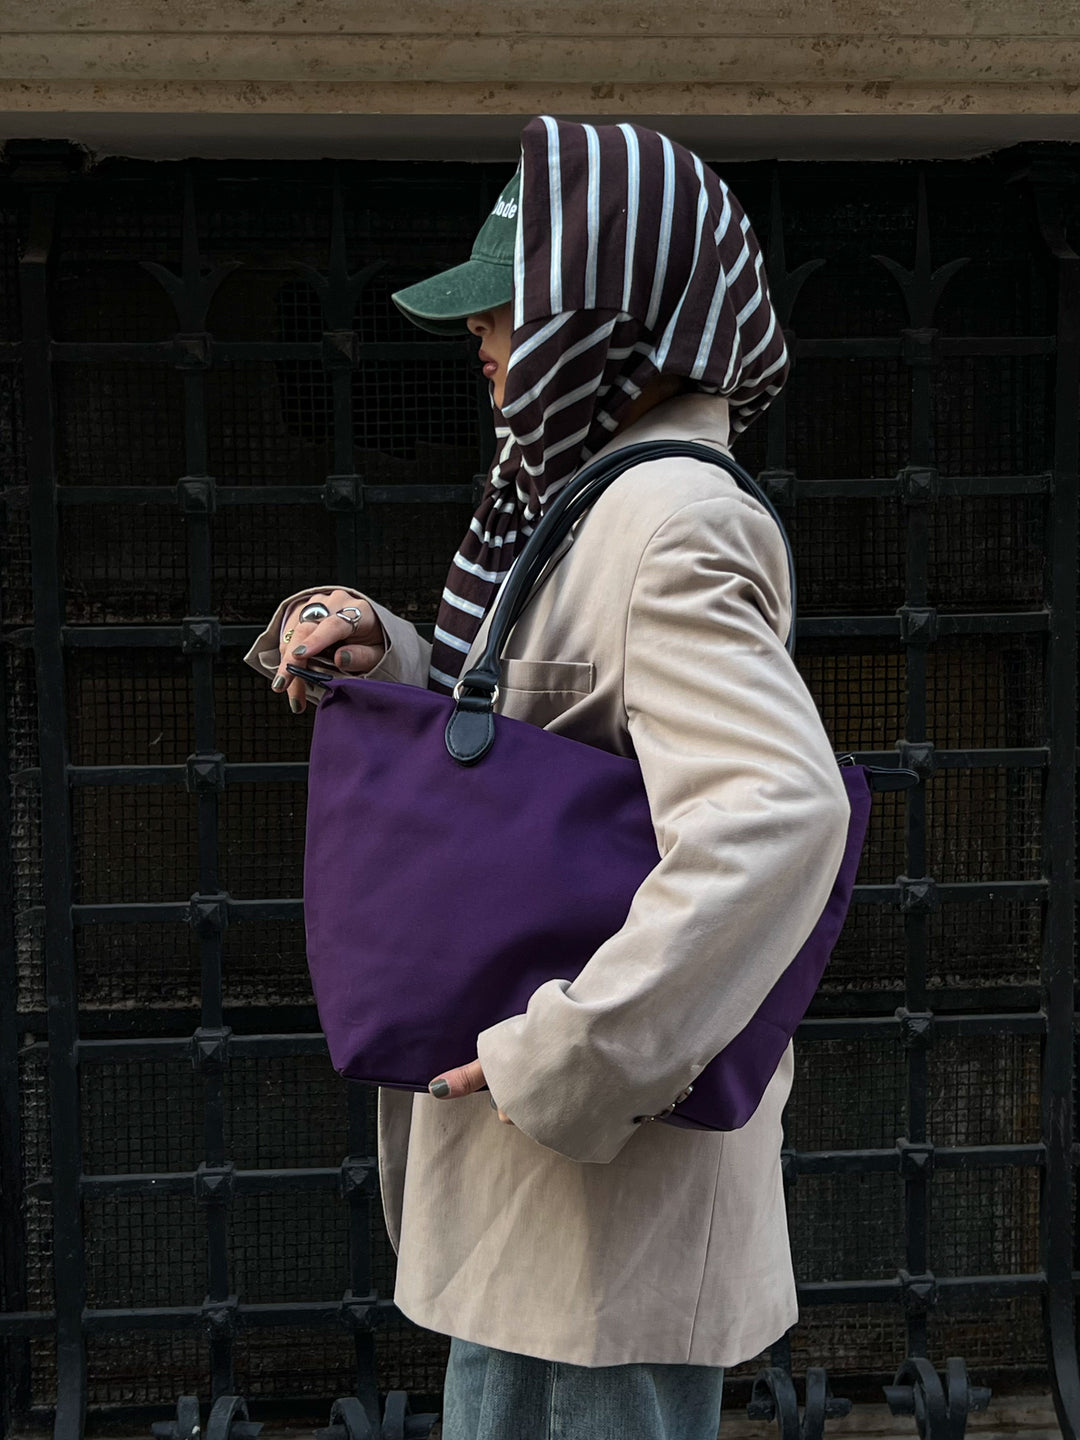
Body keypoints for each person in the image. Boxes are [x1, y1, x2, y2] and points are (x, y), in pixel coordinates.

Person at [245, 116, 850, 1440]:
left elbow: (775, 814)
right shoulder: (592, 496)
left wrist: (569, 1056)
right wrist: (391, 656)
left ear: (612, 318)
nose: (482, 337)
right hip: (551, 1190)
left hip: (602, 1185)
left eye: (512, 308)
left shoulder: (672, 523)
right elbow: (552, 752)